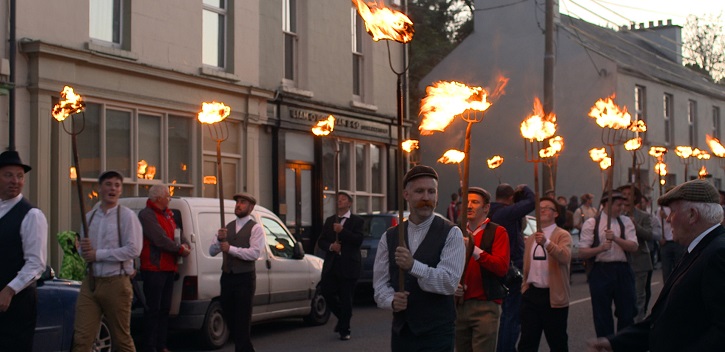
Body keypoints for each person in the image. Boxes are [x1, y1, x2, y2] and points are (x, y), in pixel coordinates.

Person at [588, 179, 725, 351]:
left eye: (672, 212)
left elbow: (721, 331)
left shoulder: (718, 254)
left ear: (692, 215)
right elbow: (664, 319)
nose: (667, 219)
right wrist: (614, 342)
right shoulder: (698, 249)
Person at [372, 165, 465, 351]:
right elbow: (380, 284)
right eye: (419, 191)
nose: (426, 198)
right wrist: (391, 300)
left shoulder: (451, 233)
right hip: (402, 332)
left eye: (432, 192)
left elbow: (449, 283)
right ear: (406, 195)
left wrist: (413, 265)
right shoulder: (390, 237)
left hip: (437, 333)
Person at [73, 171, 143, 352]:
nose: (113, 188)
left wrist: (98, 254)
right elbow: (84, 252)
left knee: (121, 339)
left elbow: (134, 249)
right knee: (81, 338)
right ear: (99, 188)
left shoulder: (127, 216)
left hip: (116, 282)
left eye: (117, 185)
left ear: (120, 190)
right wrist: (82, 248)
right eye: (108, 184)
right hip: (91, 281)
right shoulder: (89, 217)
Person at [0, 150, 47, 351]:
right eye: (8, 175)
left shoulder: (31, 215)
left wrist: (10, 290)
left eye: (20, 176)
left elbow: (36, 263)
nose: (15, 181)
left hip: (17, 303)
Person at [455, 187, 510, 352]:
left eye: (475, 202)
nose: (469, 206)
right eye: (467, 202)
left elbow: (501, 267)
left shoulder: (498, 232)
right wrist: (452, 284)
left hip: (485, 306)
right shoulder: (456, 231)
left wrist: (474, 250)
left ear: (486, 208)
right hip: (459, 305)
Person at [578, 190, 638, 338]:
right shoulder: (592, 223)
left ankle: (623, 345)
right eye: (618, 205)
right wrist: (600, 248)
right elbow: (582, 253)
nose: (621, 208)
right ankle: (606, 345)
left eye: (623, 205)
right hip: (600, 271)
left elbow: (634, 246)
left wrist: (616, 239)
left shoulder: (626, 221)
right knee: (601, 313)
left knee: (627, 312)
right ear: (606, 204)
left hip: (623, 270)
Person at [209, 192, 265, 352]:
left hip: (244, 278)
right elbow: (212, 251)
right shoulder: (227, 227)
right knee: (228, 314)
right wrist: (220, 240)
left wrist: (231, 249)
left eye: (243, 202)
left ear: (251, 207)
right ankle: (246, 348)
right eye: (237, 202)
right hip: (227, 277)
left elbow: (254, 253)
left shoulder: (255, 229)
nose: (238, 205)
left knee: (242, 318)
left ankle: (242, 348)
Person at [138, 184, 191, 352]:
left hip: (169, 267)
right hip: (154, 268)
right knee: (153, 309)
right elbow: (159, 239)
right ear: (159, 198)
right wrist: (180, 249)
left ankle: (161, 344)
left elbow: (177, 233)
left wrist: (185, 244)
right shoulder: (147, 215)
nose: (169, 199)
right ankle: (150, 346)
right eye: (167, 196)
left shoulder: (168, 214)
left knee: (164, 308)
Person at [518, 197, 572, 352]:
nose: (542, 210)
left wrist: (547, 243)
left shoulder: (562, 235)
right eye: (539, 207)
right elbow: (526, 266)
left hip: (553, 295)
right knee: (527, 341)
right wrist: (525, 288)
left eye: (547, 207)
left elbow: (565, 256)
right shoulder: (531, 239)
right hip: (532, 294)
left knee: (557, 341)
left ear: (555, 214)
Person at [488, 183, 535, 352]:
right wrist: (525, 188)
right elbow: (532, 202)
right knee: (512, 315)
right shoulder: (505, 213)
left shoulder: (489, 211)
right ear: (509, 199)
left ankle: (504, 347)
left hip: (496, 266)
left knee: (506, 314)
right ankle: (506, 349)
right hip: (511, 268)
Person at [317, 191, 364, 340]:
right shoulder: (330, 220)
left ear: (349, 203)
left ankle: (345, 329)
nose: (340, 201)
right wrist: (331, 246)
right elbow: (321, 241)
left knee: (346, 297)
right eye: (338, 199)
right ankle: (343, 318)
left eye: (343, 199)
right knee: (327, 291)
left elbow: (358, 240)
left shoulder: (357, 221)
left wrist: (342, 231)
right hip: (332, 265)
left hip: (349, 265)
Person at [617, 185, 653, 323]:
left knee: (638, 295)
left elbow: (649, 235)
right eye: (623, 193)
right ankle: (625, 322)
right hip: (621, 260)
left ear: (635, 197)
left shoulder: (643, 216)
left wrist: (635, 225)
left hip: (639, 260)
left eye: (629, 194)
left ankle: (638, 323)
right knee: (623, 295)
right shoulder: (615, 216)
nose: (626, 196)